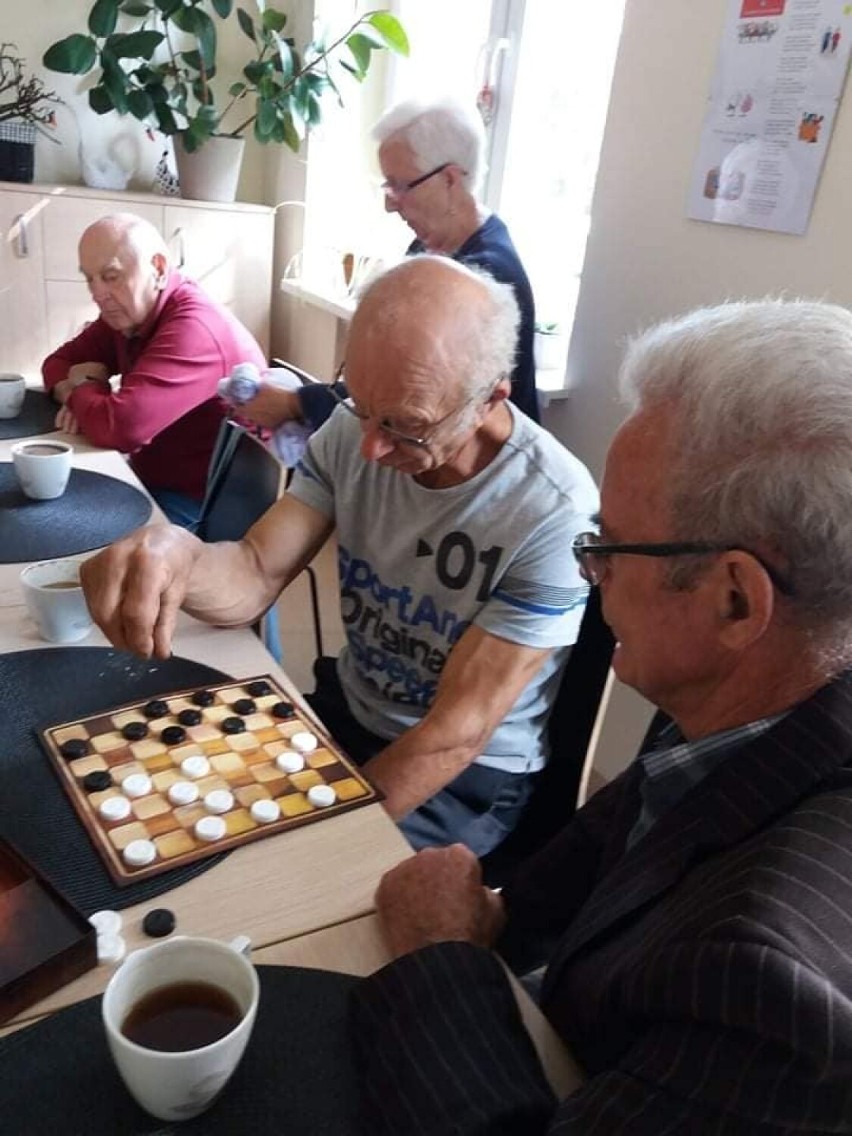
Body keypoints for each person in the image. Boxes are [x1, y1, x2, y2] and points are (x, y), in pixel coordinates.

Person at [349, 298, 852, 1134]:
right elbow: (611, 849)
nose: (591, 571)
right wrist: (495, 913)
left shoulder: (774, 986)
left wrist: (441, 951)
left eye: (611, 546)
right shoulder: (749, 700)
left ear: (735, 599)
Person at [80, 256, 597, 855]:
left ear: (490, 399)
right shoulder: (355, 431)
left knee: (287, 872)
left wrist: (322, 838)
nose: (371, 447)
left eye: (406, 426)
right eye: (360, 404)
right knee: (167, 813)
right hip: (349, 711)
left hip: (467, 774)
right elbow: (254, 570)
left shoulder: (555, 513)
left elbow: (457, 733)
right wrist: (178, 553)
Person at [237, 97, 541, 433]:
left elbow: (412, 393)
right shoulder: (428, 245)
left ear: (451, 179)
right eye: (387, 185)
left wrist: (295, 403)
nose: (389, 204)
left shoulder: (485, 278)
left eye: (400, 185)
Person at [42, 212, 266, 528]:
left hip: (205, 507)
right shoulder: (127, 312)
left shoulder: (193, 328)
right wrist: (73, 390)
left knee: (66, 534)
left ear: (158, 269)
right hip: (148, 477)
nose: (97, 294)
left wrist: (83, 387)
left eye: (110, 276)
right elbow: (55, 364)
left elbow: (121, 427)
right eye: (89, 278)